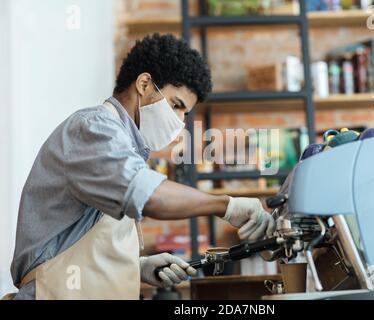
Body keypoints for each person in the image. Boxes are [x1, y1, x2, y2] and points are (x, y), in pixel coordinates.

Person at [8, 34, 275, 300]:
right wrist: (226, 206)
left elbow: (79, 243)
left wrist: (135, 267)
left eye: (185, 113)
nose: (180, 122)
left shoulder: (123, 145)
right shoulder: (94, 129)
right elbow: (150, 197)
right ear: (144, 84)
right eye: (176, 105)